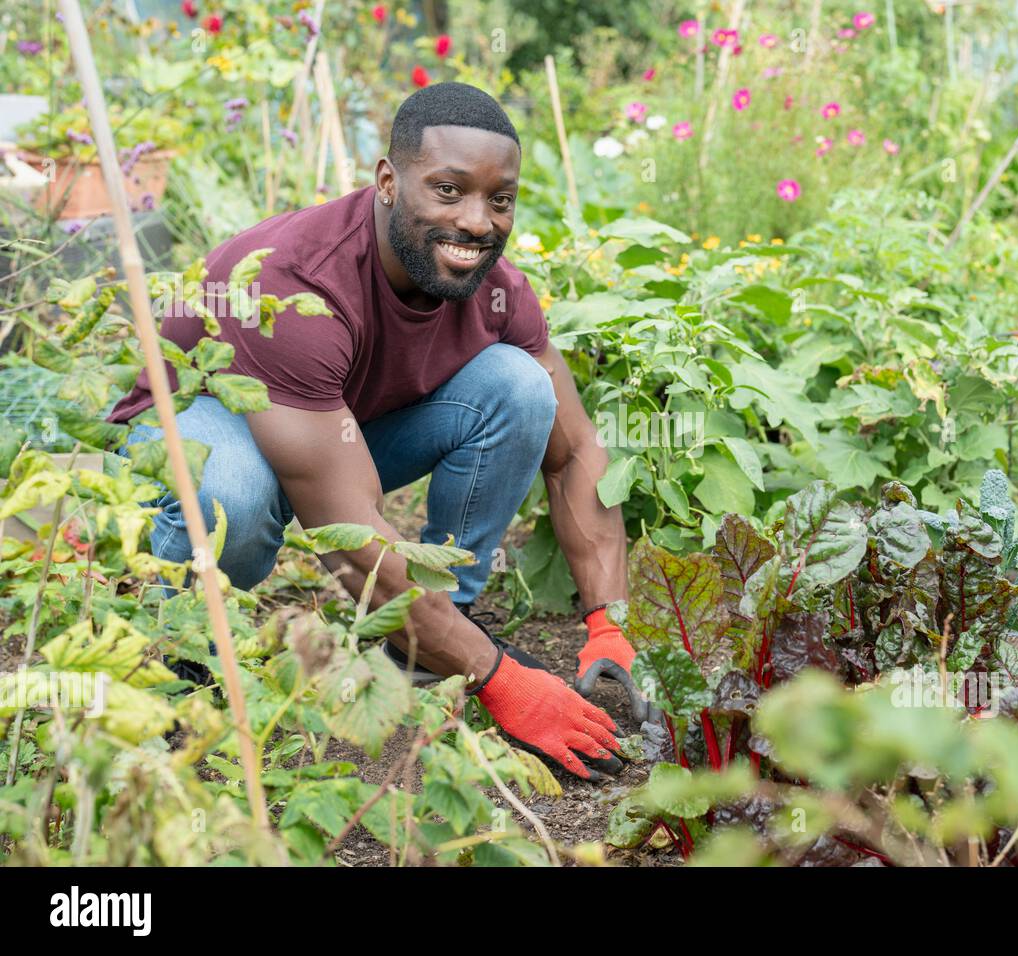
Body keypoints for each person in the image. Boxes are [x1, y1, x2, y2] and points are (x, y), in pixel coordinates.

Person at [105, 82, 649, 780]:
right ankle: (183, 647)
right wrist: (503, 679)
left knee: (521, 384)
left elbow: (574, 453)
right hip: (200, 426)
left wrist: (611, 621)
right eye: (448, 191)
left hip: (330, 431)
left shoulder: (499, 290)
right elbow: (352, 537)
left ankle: (424, 638)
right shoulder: (297, 282)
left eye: (499, 200)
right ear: (388, 181)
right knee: (230, 494)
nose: (478, 222)